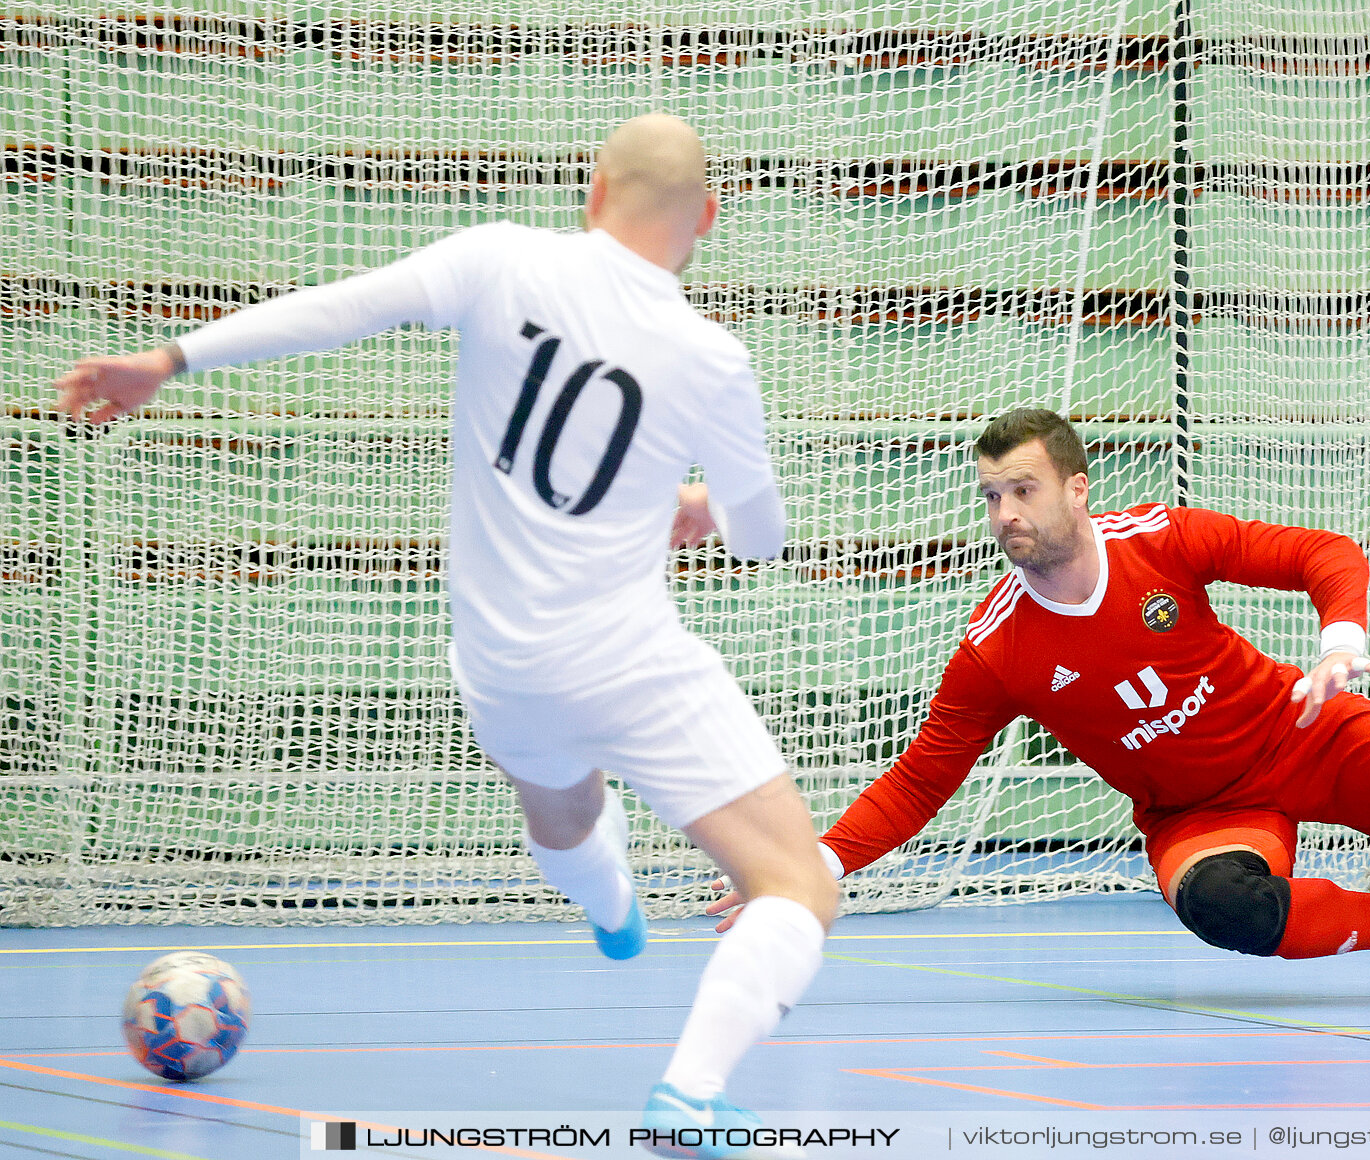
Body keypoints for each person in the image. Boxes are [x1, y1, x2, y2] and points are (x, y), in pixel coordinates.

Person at [55, 114, 832, 1159]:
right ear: (710, 218)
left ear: (593, 190)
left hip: (502, 666)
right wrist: (705, 506)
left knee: (564, 808)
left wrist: (169, 357)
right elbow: (764, 538)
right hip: (630, 660)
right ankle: (690, 1090)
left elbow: (339, 310)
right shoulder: (710, 356)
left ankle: (608, 902)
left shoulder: (500, 258)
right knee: (801, 883)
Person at [710, 408, 1370, 1008]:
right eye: (990, 494)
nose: (1004, 514)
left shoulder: (1161, 539)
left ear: (1077, 488)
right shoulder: (996, 650)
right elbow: (922, 777)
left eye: (1022, 488)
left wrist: (1342, 631)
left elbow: (1319, 554)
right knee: (1226, 912)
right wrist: (818, 864)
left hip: (1305, 730)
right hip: (1199, 807)